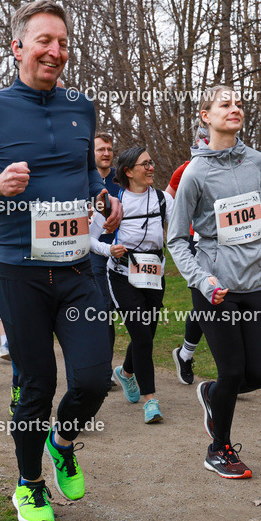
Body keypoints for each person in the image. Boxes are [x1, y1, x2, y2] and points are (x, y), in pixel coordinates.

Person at [0, 0, 123, 521]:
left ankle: (62, 440)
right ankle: (28, 484)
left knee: (91, 379)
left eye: (63, 42)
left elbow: (87, 172)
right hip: (18, 271)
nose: (56, 51)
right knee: (36, 381)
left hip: (75, 269)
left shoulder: (80, 107)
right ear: (18, 47)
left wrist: (102, 197)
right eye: (45, 40)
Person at [167, 85, 261, 480]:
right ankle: (218, 448)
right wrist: (202, 280)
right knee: (233, 371)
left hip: (255, 283)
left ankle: (211, 393)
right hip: (215, 288)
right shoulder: (195, 173)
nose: (235, 109)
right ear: (205, 116)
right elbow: (176, 240)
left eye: (239, 103)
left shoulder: (257, 161)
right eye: (225, 104)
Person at [93, 147, 172, 424]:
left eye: (151, 162)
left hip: (153, 275)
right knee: (142, 336)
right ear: (128, 171)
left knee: (146, 333)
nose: (151, 167)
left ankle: (126, 373)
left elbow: (177, 235)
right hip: (122, 275)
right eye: (145, 164)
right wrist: (108, 250)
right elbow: (90, 238)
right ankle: (151, 401)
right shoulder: (113, 202)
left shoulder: (163, 200)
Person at [166, 134, 206, 385]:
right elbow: (167, 200)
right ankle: (186, 354)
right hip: (194, 240)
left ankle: (236, 368)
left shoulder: (236, 164)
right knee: (205, 299)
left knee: (230, 299)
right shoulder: (186, 169)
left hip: (226, 239)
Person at [90, 132, 120, 356]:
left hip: (120, 251)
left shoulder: (121, 179)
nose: (106, 153)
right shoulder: (83, 180)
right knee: (103, 307)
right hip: (94, 252)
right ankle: (104, 365)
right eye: (101, 149)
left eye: (109, 149)